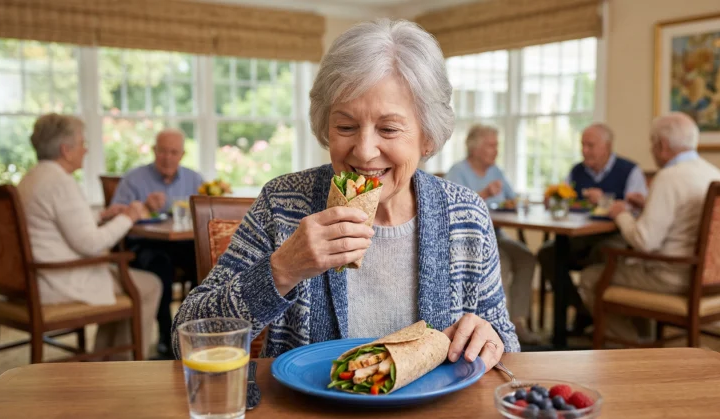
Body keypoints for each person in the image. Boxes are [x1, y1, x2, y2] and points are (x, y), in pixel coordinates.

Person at [171, 19, 520, 367]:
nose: (365, 151)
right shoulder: (282, 205)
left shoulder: (466, 215)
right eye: (346, 126)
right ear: (326, 125)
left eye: (388, 128)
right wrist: (281, 270)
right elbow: (184, 337)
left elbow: (505, 345)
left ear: (427, 136)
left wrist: (491, 337)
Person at [18, 113, 161, 359]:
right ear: (66, 150)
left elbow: (59, 227)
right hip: (59, 280)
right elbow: (91, 244)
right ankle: (125, 367)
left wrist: (104, 216)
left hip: (35, 278)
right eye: (82, 143)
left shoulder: (31, 179)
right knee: (149, 285)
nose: (85, 150)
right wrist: (129, 217)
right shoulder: (60, 183)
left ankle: (103, 361)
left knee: (125, 284)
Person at [578, 112, 720, 341]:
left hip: (670, 277)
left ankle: (634, 347)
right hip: (710, 276)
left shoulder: (669, 177)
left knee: (589, 278)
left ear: (662, 145)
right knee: (623, 268)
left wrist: (621, 213)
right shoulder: (715, 173)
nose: (651, 149)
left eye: (652, 144)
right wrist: (648, 205)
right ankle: (642, 339)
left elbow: (644, 241)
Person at [536, 123, 648, 333]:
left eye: (590, 145)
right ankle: (583, 312)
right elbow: (562, 196)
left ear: (607, 146)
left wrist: (604, 200)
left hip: (614, 237)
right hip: (578, 237)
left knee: (601, 255)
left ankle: (607, 322)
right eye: (582, 145)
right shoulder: (577, 171)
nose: (585, 150)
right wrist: (553, 198)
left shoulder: (630, 170)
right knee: (548, 253)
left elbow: (636, 209)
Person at [108, 128, 203, 359]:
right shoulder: (134, 179)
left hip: (181, 243)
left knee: (203, 263)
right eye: (162, 151)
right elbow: (113, 215)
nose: (167, 157)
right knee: (161, 266)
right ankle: (165, 336)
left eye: (173, 152)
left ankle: (193, 330)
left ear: (181, 154)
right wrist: (142, 206)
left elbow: (203, 213)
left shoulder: (194, 179)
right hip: (143, 244)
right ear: (154, 151)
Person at [446, 125, 542, 344]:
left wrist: (514, 201)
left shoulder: (496, 171)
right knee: (502, 262)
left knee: (526, 257)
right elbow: (452, 207)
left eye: (496, 145)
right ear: (475, 148)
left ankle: (517, 321)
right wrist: (484, 194)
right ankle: (497, 327)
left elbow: (512, 199)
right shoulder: (458, 171)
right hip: (471, 240)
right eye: (491, 145)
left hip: (497, 233)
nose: (496, 150)